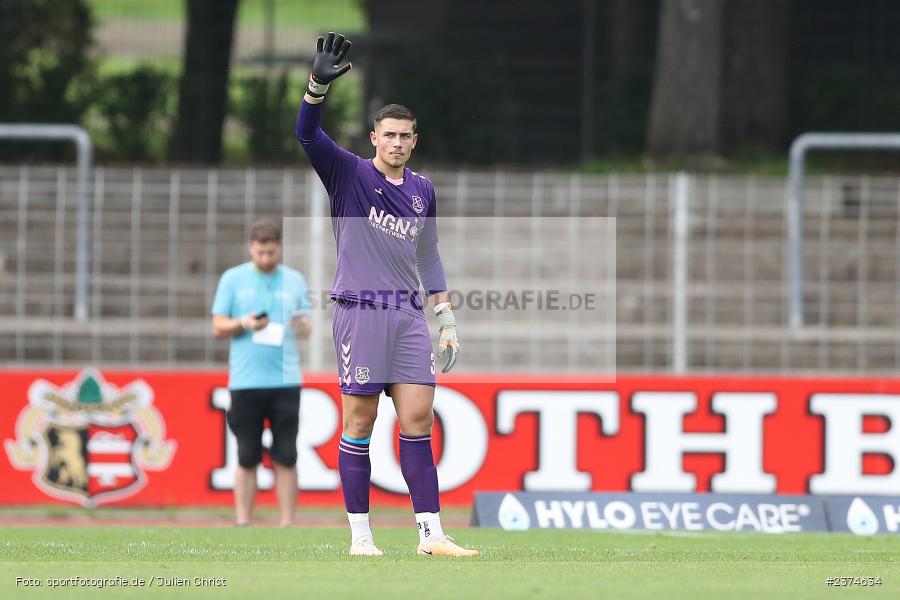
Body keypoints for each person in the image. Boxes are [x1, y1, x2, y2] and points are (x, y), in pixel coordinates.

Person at [296, 32, 477, 557]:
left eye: (405, 136)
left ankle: (431, 535)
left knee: (418, 420)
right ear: (374, 138)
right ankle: (361, 537)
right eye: (389, 134)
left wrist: (445, 316)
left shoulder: (422, 191)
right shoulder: (348, 174)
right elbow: (307, 136)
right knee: (360, 422)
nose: (397, 143)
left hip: (407, 316)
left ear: (414, 142)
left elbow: (429, 255)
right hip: (361, 312)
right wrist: (315, 89)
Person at [211, 218, 312, 526]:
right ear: (250, 249)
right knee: (246, 455)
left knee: (286, 455)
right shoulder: (232, 279)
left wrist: (301, 324)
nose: (266, 259)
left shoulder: (294, 280)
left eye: (271, 253)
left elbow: (306, 327)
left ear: (279, 248)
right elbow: (217, 326)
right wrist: (244, 323)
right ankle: (243, 520)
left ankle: (287, 523)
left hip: (285, 379)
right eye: (260, 253)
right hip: (245, 381)